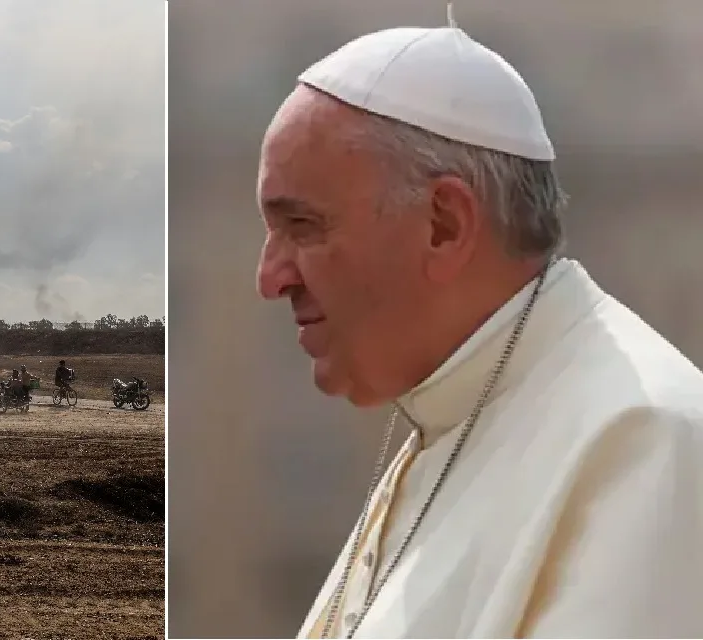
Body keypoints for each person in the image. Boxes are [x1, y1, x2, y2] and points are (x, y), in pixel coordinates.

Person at [256, 19, 703, 639]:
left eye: (303, 226)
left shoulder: (644, 440)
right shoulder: (447, 412)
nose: (270, 277)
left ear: (443, 224)